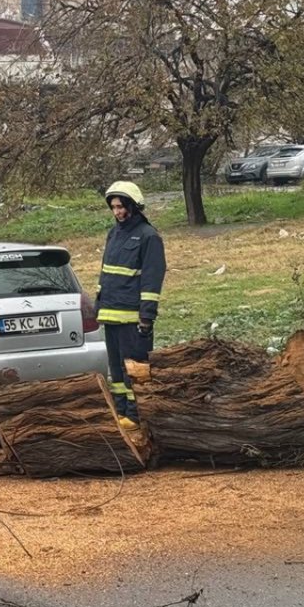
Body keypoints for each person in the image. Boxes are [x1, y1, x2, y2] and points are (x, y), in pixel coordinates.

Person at [96, 182, 166, 431]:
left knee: (134, 371)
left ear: (134, 207)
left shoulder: (149, 236)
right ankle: (122, 413)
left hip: (133, 320)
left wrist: (146, 317)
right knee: (116, 372)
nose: (117, 212)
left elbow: (152, 279)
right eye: (113, 207)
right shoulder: (114, 234)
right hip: (111, 316)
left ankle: (137, 416)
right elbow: (107, 275)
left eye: (121, 207)